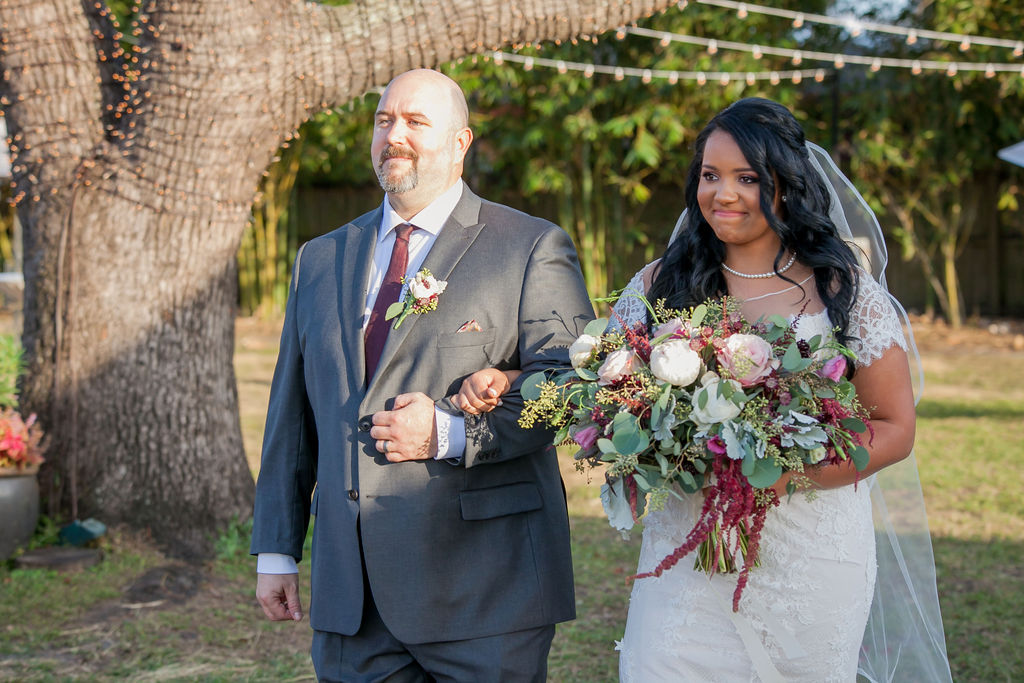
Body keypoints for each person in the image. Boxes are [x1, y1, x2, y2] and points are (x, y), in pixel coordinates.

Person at [464, 97, 951, 682]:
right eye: (710, 175)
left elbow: (895, 430)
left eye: (747, 178)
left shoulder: (842, 289)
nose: (723, 194)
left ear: (786, 185)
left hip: (811, 557)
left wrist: (778, 469)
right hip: (686, 561)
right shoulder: (660, 283)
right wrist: (517, 379)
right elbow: (597, 380)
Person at [249, 68, 593, 682]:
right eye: (384, 121)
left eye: (416, 122)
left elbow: (570, 387)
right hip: (353, 597)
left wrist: (446, 433)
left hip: (485, 589)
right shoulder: (320, 258)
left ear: (461, 143)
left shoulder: (530, 247)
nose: (395, 136)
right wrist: (277, 550)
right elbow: (292, 415)